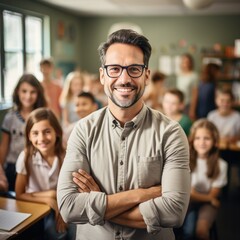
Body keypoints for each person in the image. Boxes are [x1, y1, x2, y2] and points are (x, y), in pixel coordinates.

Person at [57, 29, 190, 240]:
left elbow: (174, 212)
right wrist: (142, 195)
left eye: (134, 69)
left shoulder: (171, 133)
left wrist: (99, 203)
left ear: (146, 75)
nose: (124, 78)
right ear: (102, 75)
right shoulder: (83, 130)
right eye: (115, 69)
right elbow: (69, 207)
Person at [15, 108, 75, 240]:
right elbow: (19, 194)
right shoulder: (25, 157)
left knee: (68, 234)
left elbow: (72, 190)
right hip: (34, 205)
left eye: (47, 132)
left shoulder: (66, 156)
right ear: (29, 136)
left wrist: (56, 199)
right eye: (35, 133)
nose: (41, 138)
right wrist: (49, 196)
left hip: (62, 205)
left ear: (57, 132)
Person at [182, 119, 228, 240]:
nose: (202, 142)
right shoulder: (184, 160)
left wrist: (195, 194)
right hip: (188, 202)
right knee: (187, 231)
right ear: (192, 140)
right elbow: (190, 194)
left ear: (215, 142)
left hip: (207, 205)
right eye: (197, 138)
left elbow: (214, 194)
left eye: (207, 138)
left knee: (201, 232)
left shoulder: (221, 165)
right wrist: (209, 198)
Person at [0, 73, 47, 191]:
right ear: (17, 92)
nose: (28, 96)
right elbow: (4, 146)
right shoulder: (10, 118)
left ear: (38, 93)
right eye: (24, 91)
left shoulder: (43, 116)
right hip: (12, 167)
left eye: (33, 92)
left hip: (36, 167)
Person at [176, 53, 199, 120]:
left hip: (188, 105)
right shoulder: (179, 74)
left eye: (187, 62)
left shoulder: (194, 76)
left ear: (190, 63)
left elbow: (195, 95)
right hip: (179, 103)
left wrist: (192, 110)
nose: (185, 64)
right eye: (183, 62)